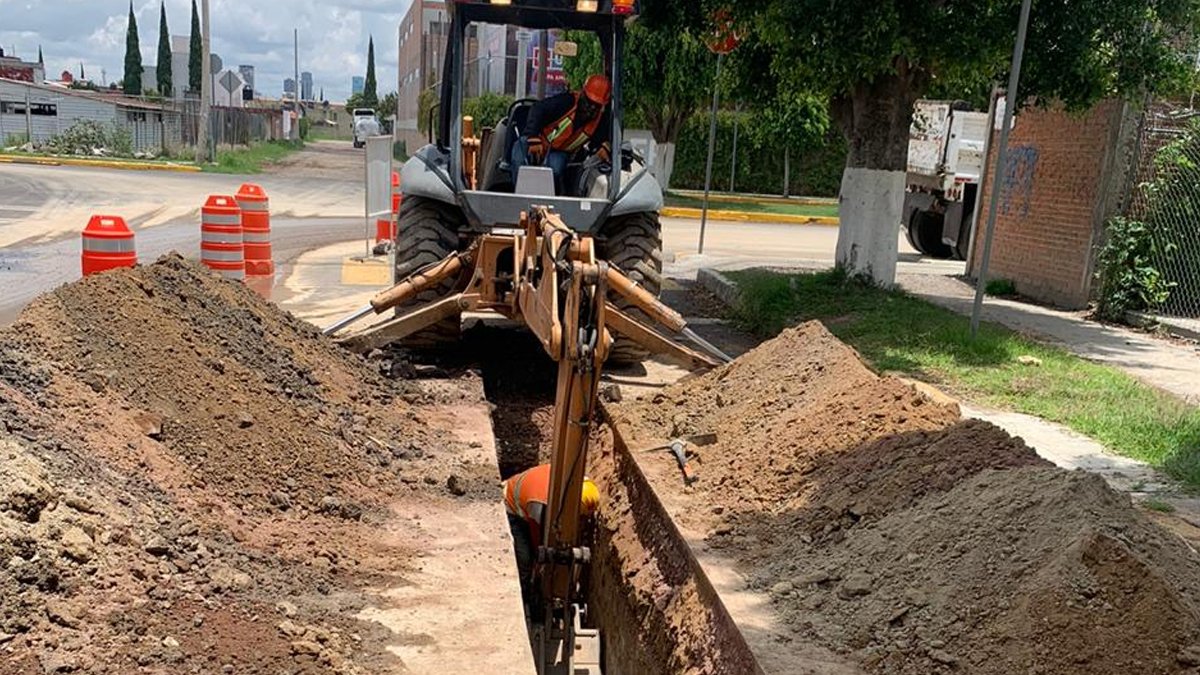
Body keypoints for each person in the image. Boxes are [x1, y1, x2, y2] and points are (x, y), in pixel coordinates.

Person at [503, 463, 601, 604]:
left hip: (529, 496)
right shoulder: (538, 504)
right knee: (525, 558)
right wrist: (539, 560)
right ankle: (525, 596)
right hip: (512, 507)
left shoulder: (578, 481)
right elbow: (536, 534)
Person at [511, 74, 614, 192]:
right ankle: (518, 195)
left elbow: (598, 142)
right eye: (589, 102)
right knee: (518, 158)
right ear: (582, 94)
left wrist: (602, 148)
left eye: (596, 106)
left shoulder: (600, 122)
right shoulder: (567, 101)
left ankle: (547, 200)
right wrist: (533, 138)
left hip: (560, 151)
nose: (591, 108)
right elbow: (538, 109)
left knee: (555, 169)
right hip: (536, 140)